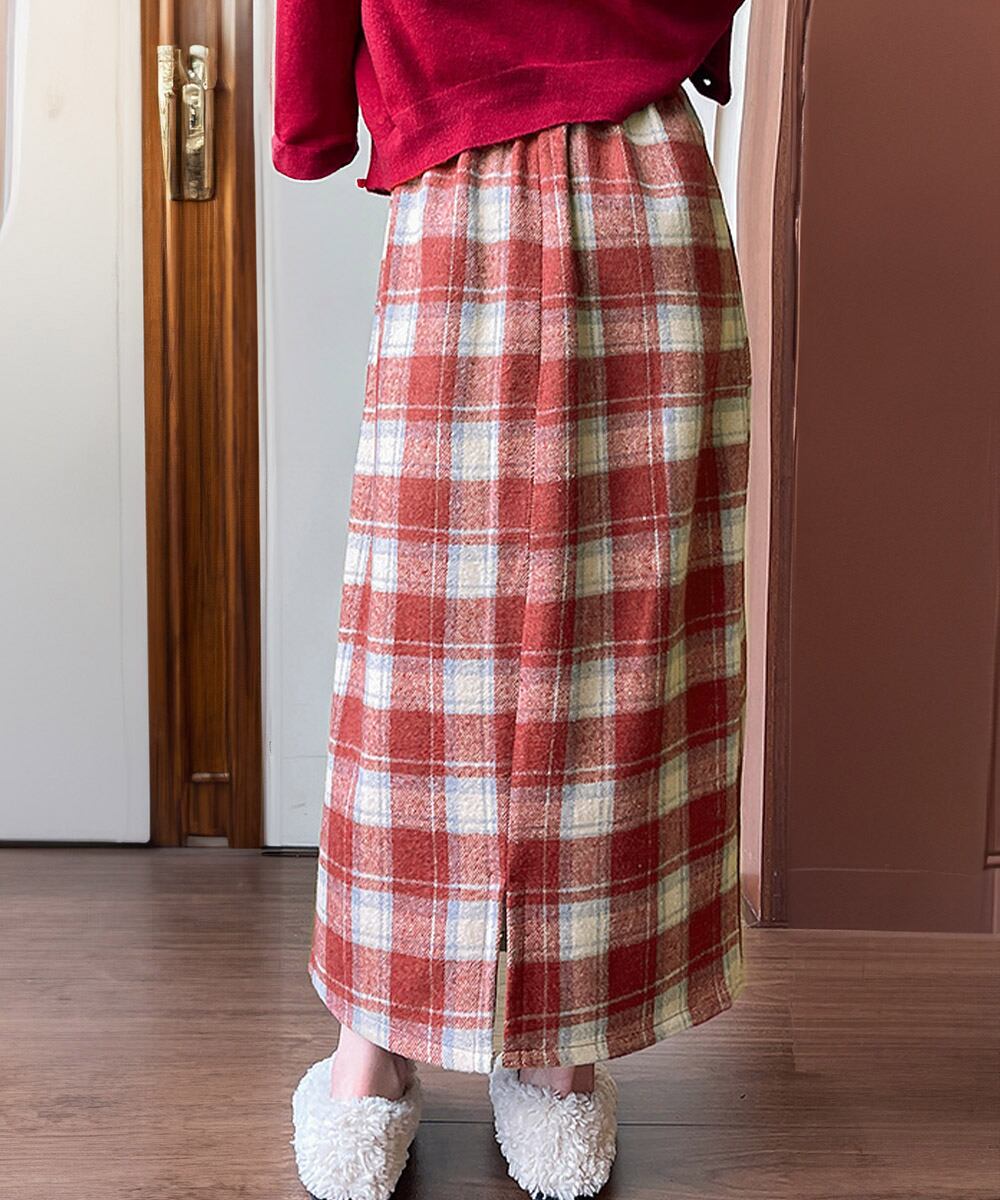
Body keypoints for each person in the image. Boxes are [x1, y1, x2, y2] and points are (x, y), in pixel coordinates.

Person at [271, 3, 752, 1198]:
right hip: (644, 176)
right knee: (612, 638)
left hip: (467, 182)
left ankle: (386, 1058)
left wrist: (311, 119)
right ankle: (545, 1061)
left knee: (427, 642)